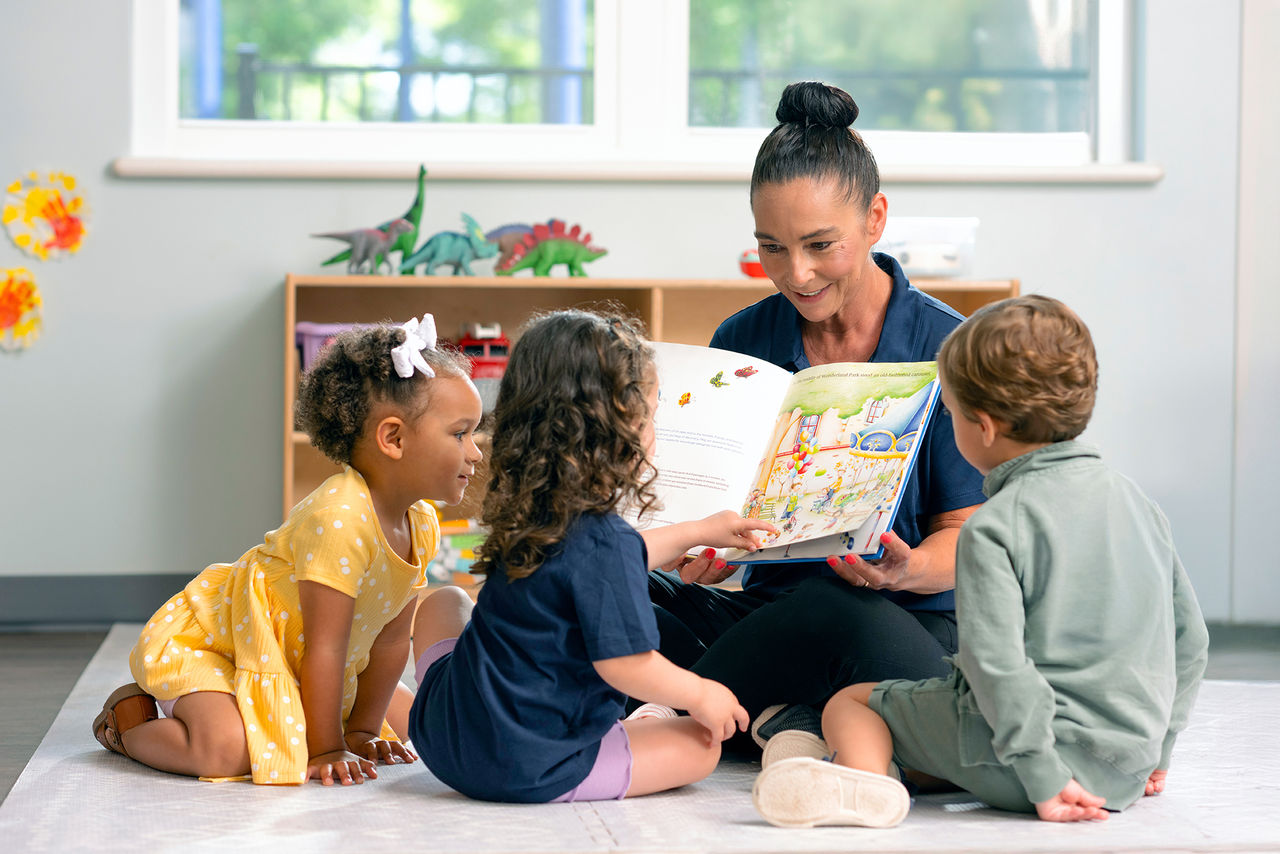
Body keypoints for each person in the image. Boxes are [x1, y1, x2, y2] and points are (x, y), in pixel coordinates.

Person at [752, 295, 1210, 828]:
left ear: (984, 427)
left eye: (948, 412)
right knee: (929, 718)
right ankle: (890, 769)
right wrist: (1158, 750)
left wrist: (1042, 778)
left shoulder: (997, 525)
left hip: (1037, 767)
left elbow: (998, 669)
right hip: (1123, 770)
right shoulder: (1138, 503)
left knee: (852, 706)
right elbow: (1191, 641)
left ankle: (865, 785)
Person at [646, 80, 987, 752]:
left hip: (901, 626)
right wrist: (704, 547)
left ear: (875, 219)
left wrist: (906, 569)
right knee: (613, 589)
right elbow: (722, 512)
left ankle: (689, 718)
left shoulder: (950, 348)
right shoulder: (741, 340)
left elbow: (969, 539)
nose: (796, 274)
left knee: (832, 606)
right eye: (771, 247)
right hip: (767, 619)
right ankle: (782, 718)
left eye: (819, 245)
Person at [91, 315, 483, 786]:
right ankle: (128, 724)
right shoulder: (338, 517)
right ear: (393, 439)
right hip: (226, 649)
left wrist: (358, 730)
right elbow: (326, 646)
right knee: (226, 751)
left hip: (299, 663)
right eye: (460, 433)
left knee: (417, 719)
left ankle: (323, 719)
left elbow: (392, 641)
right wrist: (328, 748)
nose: (476, 452)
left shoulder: (420, 522)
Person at [407, 309, 775, 803]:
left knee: (444, 602)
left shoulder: (533, 510)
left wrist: (700, 530)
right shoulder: (605, 540)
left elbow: (606, 562)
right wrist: (700, 693)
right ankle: (643, 723)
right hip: (535, 764)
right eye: (651, 410)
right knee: (701, 746)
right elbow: (626, 664)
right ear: (617, 427)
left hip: (449, 742)